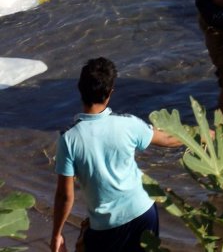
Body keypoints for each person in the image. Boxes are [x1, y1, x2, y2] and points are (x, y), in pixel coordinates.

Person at [50, 57, 183, 252]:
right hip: (144, 211)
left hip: (106, 226)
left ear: (80, 90)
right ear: (110, 93)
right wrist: (201, 136)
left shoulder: (68, 139)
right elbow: (169, 139)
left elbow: (64, 196)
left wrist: (56, 234)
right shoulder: (128, 124)